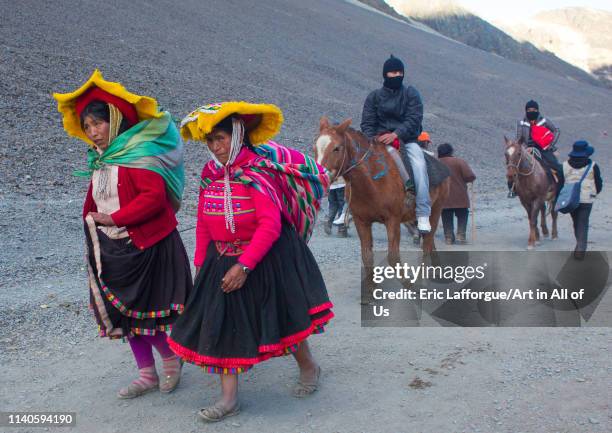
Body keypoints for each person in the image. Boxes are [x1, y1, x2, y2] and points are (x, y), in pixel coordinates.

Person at [169, 102, 333, 422]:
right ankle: (229, 399)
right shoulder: (210, 173)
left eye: (221, 139)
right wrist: (201, 262)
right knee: (221, 322)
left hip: (266, 256)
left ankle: (309, 367)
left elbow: (270, 224)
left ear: (239, 135)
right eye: (210, 141)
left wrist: (244, 266)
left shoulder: (256, 170)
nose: (216, 148)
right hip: (221, 256)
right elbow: (204, 220)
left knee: (283, 318)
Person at [53, 70, 192, 399]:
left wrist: (114, 217)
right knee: (122, 311)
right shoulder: (102, 159)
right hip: (114, 247)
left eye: (97, 124)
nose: (93, 132)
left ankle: (171, 361)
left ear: (113, 121)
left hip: (148, 245)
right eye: (87, 127)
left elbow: (154, 198)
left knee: (145, 312)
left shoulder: (137, 155)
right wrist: (91, 218)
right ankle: (146, 373)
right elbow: (95, 197)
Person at [361, 55, 431, 233]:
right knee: (358, 166)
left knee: (419, 165)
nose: (397, 75)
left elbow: (415, 118)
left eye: (400, 72)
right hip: (379, 142)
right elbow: (367, 123)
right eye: (393, 72)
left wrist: (396, 134)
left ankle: (423, 212)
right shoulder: (374, 97)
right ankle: (353, 207)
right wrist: (373, 138)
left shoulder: (411, 93)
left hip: (407, 140)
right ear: (385, 74)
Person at [509, 99, 563, 198]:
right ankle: (513, 189)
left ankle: (559, 190)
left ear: (537, 110)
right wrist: (525, 149)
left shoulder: (544, 121)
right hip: (526, 149)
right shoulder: (521, 123)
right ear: (526, 110)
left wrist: (550, 145)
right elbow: (518, 139)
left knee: (558, 168)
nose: (531, 111)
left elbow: (556, 131)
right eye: (529, 110)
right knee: (512, 166)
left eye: (534, 109)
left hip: (543, 149)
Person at [563, 140, 603, 259]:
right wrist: (593, 193)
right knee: (583, 223)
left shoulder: (564, 165)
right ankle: (580, 249)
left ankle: (579, 245)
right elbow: (599, 183)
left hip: (570, 200)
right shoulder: (593, 166)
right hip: (586, 199)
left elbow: (560, 183)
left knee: (576, 222)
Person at [437, 143, 476, 244]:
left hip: (443, 196)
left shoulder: (436, 162)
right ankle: (461, 235)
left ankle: (449, 237)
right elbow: (470, 176)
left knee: (446, 215)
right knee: (463, 213)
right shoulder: (459, 162)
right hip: (460, 196)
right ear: (451, 152)